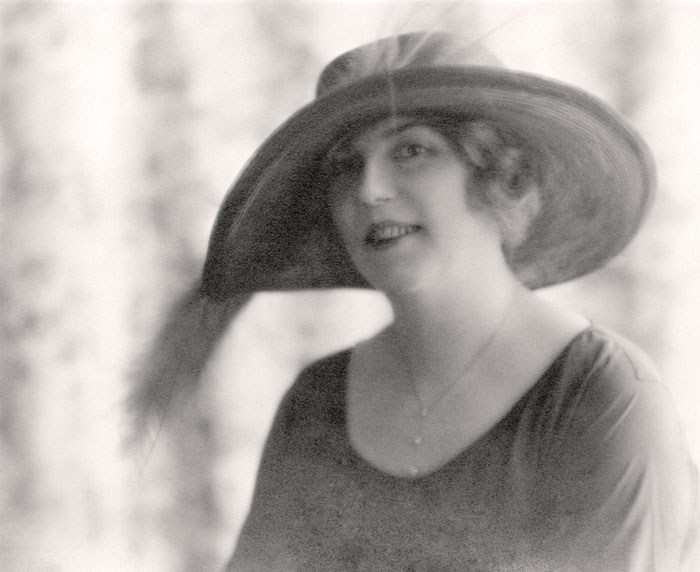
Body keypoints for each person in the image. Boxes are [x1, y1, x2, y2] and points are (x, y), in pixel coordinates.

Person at [134, 31, 698, 571]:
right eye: (346, 164)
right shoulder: (318, 401)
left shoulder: (600, 396)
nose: (369, 189)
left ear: (498, 176)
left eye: (411, 150)